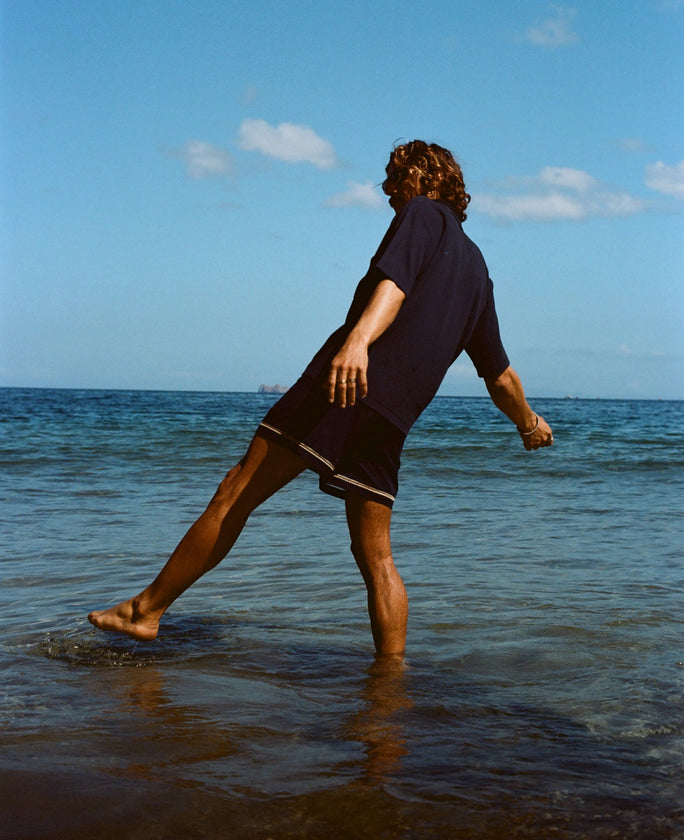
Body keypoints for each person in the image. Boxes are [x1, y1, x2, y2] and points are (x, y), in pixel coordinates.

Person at [88, 140, 553, 657]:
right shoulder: (478, 275)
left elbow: (393, 287)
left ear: (425, 178)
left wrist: (357, 342)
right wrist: (529, 423)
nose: (390, 193)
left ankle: (144, 612)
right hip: (391, 421)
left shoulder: (423, 214)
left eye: (397, 179)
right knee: (376, 559)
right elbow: (501, 376)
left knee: (235, 492)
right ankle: (390, 679)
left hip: (344, 386)